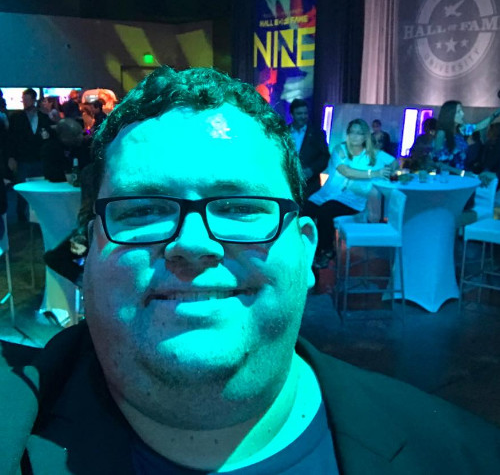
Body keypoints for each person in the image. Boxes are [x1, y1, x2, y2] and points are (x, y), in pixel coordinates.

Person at [1, 68, 500, 473]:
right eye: (142, 210)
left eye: (240, 208)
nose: (192, 244)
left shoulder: (463, 456)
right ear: (87, 250)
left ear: (306, 250)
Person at [303, 119, 397, 268]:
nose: (355, 136)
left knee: (324, 212)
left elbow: (394, 162)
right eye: (352, 132)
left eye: (359, 133)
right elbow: (346, 171)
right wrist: (374, 173)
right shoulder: (340, 149)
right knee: (303, 212)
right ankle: (304, 254)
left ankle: (326, 251)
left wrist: (387, 172)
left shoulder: (372, 154)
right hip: (328, 194)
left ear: (365, 136)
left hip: (352, 199)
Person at [6, 88, 54, 221]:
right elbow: (11, 139)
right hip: (23, 157)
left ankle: (37, 215)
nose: (25, 102)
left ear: (33, 100)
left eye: (27, 100)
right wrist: (11, 157)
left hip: (39, 157)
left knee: (40, 187)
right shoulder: (16, 118)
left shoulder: (43, 117)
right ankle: (22, 215)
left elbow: (49, 137)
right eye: (24, 100)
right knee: (23, 189)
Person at [433, 100, 500, 174]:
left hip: (459, 174)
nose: (462, 114)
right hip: (446, 176)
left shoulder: (461, 129)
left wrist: (495, 115)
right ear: (450, 115)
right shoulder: (442, 133)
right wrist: (462, 173)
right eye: (458, 112)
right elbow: (438, 161)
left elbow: (479, 126)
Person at [288, 98, 329, 199]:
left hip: (310, 187)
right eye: (299, 113)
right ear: (292, 115)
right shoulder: (284, 132)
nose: (303, 116)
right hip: (287, 183)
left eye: (305, 113)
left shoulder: (317, 134)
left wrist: (311, 170)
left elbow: (325, 157)